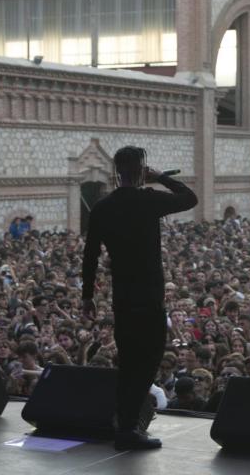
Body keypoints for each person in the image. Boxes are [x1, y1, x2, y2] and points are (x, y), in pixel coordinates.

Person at [82, 146, 197, 451]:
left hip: (122, 298)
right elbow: (190, 198)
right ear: (141, 170)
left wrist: (86, 298)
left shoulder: (102, 208)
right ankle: (129, 427)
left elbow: (90, 257)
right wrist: (161, 177)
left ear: (116, 171)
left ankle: (126, 423)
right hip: (149, 297)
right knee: (149, 359)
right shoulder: (148, 200)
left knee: (129, 361)